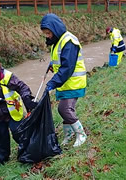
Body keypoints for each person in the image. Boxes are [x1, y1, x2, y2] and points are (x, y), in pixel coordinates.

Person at [40, 13, 87, 147]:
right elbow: (60, 60)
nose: (47, 36)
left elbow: (67, 67)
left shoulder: (69, 41)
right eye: (46, 34)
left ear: (55, 29)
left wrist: (52, 83)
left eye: (48, 33)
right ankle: (68, 135)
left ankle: (81, 134)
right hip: (65, 84)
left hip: (73, 83)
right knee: (66, 109)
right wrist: (52, 65)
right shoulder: (58, 41)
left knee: (64, 109)